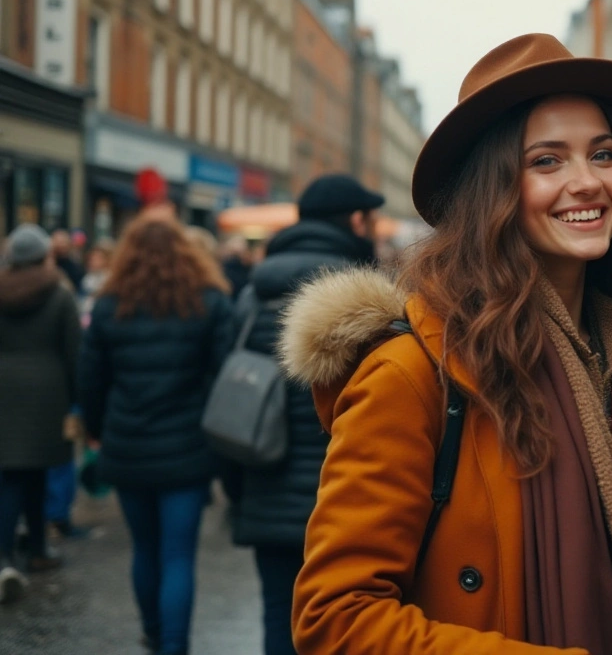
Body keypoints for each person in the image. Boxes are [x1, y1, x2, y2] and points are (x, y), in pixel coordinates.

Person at [284, 34, 612, 655]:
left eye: (603, 154)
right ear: (493, 191)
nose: (586, 182)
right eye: (547, 161)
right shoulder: (411, 374)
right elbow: (333, 618)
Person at [227, 173, 383, 655]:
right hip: (343, 495)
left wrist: (237, 488)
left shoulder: (255, 292)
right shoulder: (364, 295)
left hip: (265, 479)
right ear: (356, 220)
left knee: (279, 612)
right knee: (343, 626)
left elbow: (230, 384)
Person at [78, 217, 235, 654]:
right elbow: (223, 374)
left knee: (144, 549)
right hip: (187, 448)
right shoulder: (207, 301)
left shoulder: (109, 306)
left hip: (127, 444)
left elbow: (90, 379)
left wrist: (94, 431)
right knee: (178, 555)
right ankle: (174, 645)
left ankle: (151, 632)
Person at [0, 225, 81, 603]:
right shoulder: (59, 293)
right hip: (47, 394)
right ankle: (36, 550)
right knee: (35, 475)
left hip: (5, 391)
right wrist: (76, 398)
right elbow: (72, 351)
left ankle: (6, 555)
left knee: (10, 476)